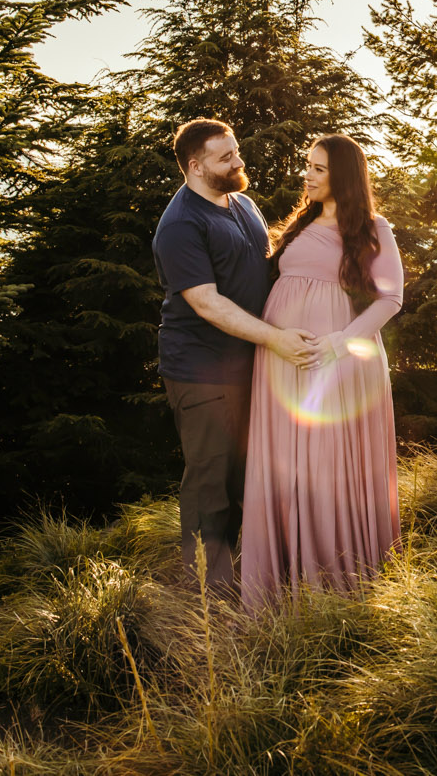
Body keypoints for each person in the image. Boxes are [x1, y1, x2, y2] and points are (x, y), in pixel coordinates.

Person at [152, 118, 319, 595]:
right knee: (211, 485)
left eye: (236, 152)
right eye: (225, 158)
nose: (238, 163)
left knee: (248, 476)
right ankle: (207, 602)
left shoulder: (242, 204)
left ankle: (249, 584)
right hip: (202, 373)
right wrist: (275, 339)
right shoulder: (181, 224)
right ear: (195, 166)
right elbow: (207, 303)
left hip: (251, 366)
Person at [239, 133, 403, 610]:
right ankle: (280, 584)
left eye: (317, 169)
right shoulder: (300, 223)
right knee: (284, 463)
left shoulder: (374, 227)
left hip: (335, 362)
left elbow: (391, 299)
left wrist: (338, 344)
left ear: (343, 177)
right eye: (307, 166)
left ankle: (334, 589)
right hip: (279, 361)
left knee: (325, 464)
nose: (306, 175)